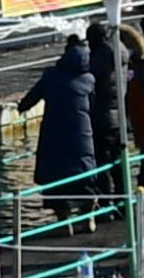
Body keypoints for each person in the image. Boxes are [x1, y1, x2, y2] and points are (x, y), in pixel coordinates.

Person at [15, 36, 98, 194]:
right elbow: (94, 107)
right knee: (84, 177)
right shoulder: (89, 80)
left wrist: (21, 107)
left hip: (55, 134)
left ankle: (64, 215)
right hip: (82, 135)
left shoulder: (52, 76)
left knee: (56, 179)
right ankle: (89, 215)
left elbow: (32, 97)